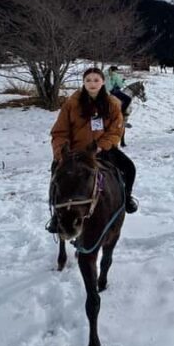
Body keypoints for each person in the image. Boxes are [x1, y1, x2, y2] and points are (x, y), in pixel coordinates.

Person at [46, 67, 138, 234]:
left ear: (103, 82)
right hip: (74, 151)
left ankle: (127, 198)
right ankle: (56, 214)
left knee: (129, 167)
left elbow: (115, 130)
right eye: (88, 80)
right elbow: (60, 132)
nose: (92, 83)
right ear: (84, 82)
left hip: (102, 149)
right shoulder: (71, 104)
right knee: (56, 175)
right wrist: (62, 153)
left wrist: (101, 145)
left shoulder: (112, 104)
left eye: (96, 80)